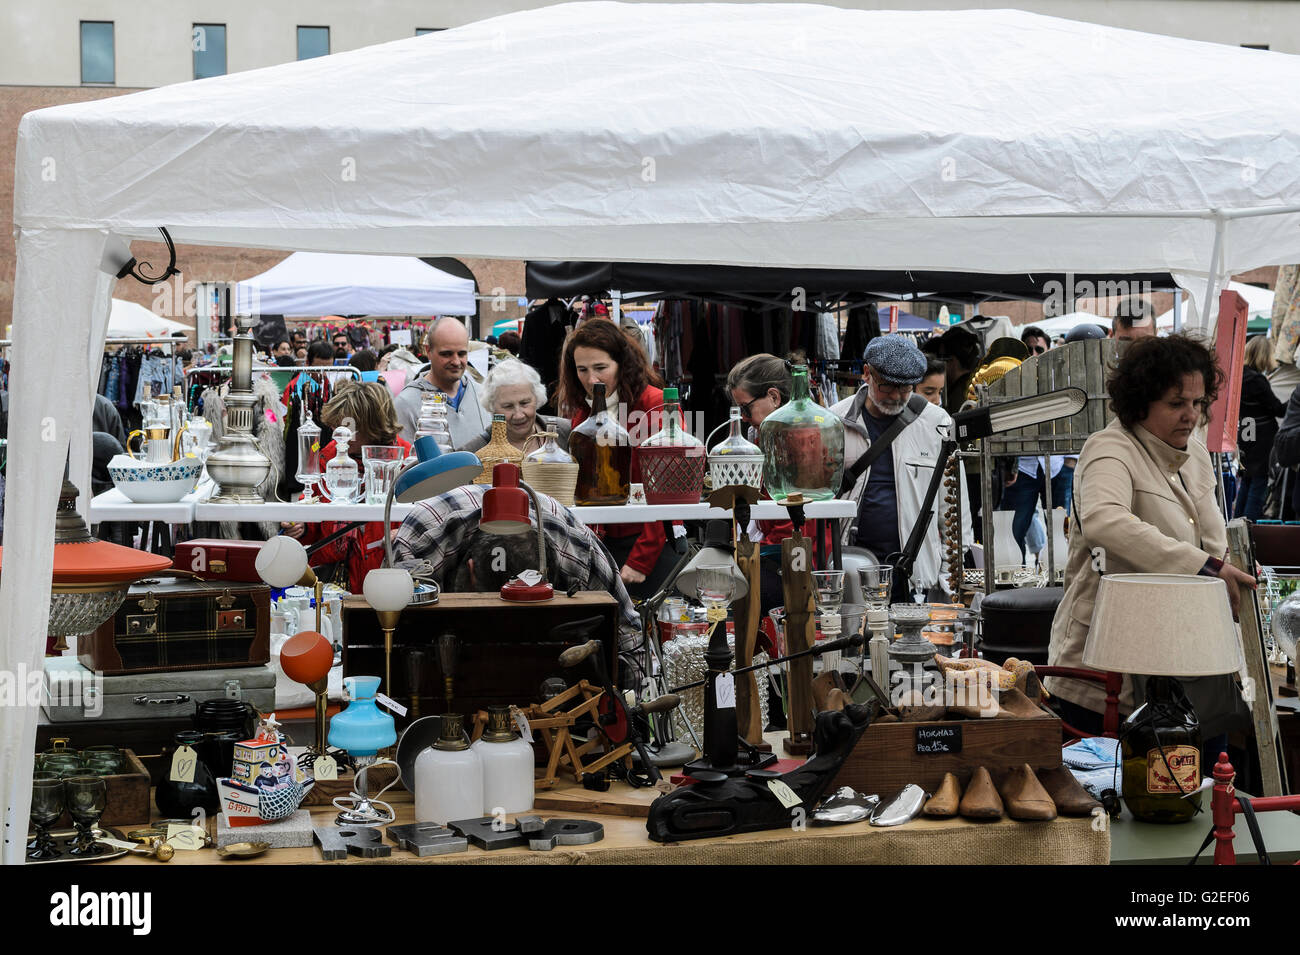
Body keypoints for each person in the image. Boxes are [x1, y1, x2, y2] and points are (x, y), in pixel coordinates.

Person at [1047, 335, 1257, 740]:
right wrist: (1206, 568)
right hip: (1108, 676)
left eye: (1197, 403)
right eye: (1176, 404)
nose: (1190, 415)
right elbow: (1105, 523)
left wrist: (1230, 568)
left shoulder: (1194, 453)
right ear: (1140, 402)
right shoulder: (1110, 448)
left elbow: (1211, 538)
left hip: (1182, 664)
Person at [831, 336, 972, 602]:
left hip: (913, 573)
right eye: (887, 386)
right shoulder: (834, 421)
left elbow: (954, 508)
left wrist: (948, 575)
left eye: (906, 388)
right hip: (849, 566)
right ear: (866, 373)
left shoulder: (937, 422)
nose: (896, 396)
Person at [558, 318, 669, 595]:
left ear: (622, 363)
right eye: (582, 369)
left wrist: (641, 560)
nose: (591, 379)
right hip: (598, 543)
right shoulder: (582, 413)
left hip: (646, 544)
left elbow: (666, 489)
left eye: (600, 368)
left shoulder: (654, 403)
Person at [283, 381, 412, 592]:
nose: (337, 434)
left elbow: (426, 519)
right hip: (332, 582)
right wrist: (301, 526)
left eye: (346, 428)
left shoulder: (405, 460)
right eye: (336, 427)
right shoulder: (329, 455)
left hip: (386, 579)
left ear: (371, 425)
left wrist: (406, 535)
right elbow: (314, 507)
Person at [393, 318, 491, 448]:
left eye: (461, 354)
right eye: (447, 354)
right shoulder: (406, 404)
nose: (456, 361)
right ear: (428, 351)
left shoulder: (483, 395)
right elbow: (405, 465)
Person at [463, 358, 569, 454]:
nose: (519, 415)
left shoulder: (566, 432)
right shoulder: (474, 452)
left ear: (537, 398)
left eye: (524, 403)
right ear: (492, 407)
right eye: (508, 406)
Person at [1235, 335, 1287, 520]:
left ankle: (1236, 524)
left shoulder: (1239, 376)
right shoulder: (1257, 380)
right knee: (1258, 482)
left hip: (1246, 431)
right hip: (1262, 435)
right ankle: (1249, 527)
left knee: (1247, 479)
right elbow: (1278, 410)